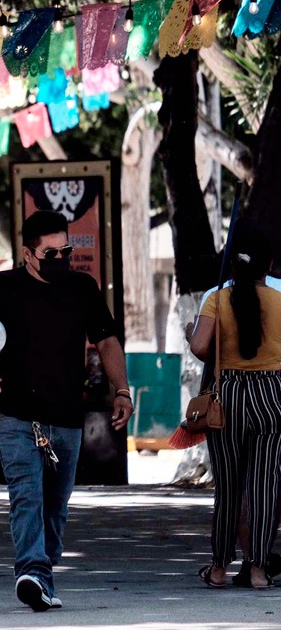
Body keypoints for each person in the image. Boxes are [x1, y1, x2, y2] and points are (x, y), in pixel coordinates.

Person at [0, 210, 132, 611]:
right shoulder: (0, 286)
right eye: (50, 253)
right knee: (26, 498)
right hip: (16, 417)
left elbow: (107, 341)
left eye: (65, 250)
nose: (61, 259)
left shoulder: (82, 287)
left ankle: (41, 569)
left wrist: (122, 390)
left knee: (55, 508)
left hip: (67, 418)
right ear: (28, 254)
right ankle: (31, 571)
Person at [188, 222, 281, 590]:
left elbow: (198, 347)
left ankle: (218, 569)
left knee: (228, 487)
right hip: (272, 395)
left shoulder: (216, 299)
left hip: (228, 398)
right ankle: (258, 571)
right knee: (264, 486)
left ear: (232, 262)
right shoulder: (279, 299)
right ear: (268, 264)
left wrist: (222, 352)